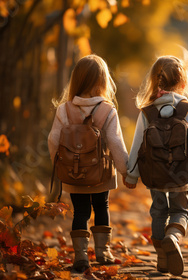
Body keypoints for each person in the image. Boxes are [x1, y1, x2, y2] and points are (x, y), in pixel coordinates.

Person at [125, 55, 188, 276]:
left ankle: (162, 259)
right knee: (180, 210)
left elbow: (137, 146)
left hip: (155, 173)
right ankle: (173, 237)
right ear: (183, 83)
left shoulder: (147, 111)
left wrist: (132, 175)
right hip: (181, 173)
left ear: (155, 81)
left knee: (159, 212)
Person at [48, 54, 129, 272]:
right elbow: (115, 143)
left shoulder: (64, 110)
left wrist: (60, 165)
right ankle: (103, 252)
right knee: (101, 206)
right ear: (101, 82)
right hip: (100, 173)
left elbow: (53, 140)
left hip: (73, 173)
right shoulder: (107, 110)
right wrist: (126, 170)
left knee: (80, 212)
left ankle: (81, 256)